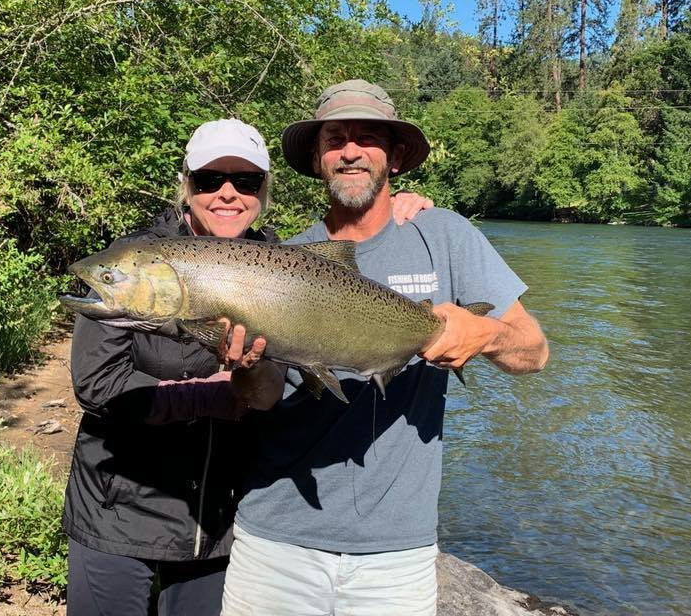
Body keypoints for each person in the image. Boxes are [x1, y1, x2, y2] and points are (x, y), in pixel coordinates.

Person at [62, 117, 432, 616]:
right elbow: (98, 386)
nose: (228, 194)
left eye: (247, 181)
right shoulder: (136, 259)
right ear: (187, 185)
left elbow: (267, 396)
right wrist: (221, 394)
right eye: (211, 180)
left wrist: (403, 208)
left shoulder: (282, 262)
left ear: (264, 192)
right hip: (120, 512)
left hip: (220, 525)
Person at [220, 80, 550, 616]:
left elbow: (533, 352)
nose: (350, 151)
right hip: (274, 541)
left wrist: (484, 334)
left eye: (366, 137)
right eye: (335, 139)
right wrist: (243, 366)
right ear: (317, 156)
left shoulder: (443, 236)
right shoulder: (278, 263)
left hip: (396, 557)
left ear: (394, 157)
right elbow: (262, 401)